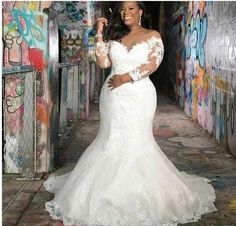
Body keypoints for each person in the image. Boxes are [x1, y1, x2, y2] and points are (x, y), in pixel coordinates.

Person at [44, 2, 217, 225]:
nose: (126, 13)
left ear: (140, 12)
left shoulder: (152, 35)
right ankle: (105, 191)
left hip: (140, 95)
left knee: (138, 140)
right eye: (123, 9)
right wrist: (98, 34)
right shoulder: (114, 36)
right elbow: (103, 61)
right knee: (111, 139)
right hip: (113, 97)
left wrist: (127, 77)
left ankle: (140, 193)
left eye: (131, 8)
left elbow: (154, 62)